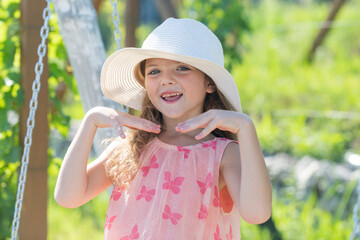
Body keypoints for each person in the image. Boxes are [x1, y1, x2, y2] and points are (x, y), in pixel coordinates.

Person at [55, 18, 272, 239]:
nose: (166, 79)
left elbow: (257, 213)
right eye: (154, 71)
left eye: (181, 68)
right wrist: (90, 121)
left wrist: (245, 127)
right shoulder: (132, 148)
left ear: (209, 83)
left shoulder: (223, 153)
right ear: (145, 85)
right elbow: (68, 197)